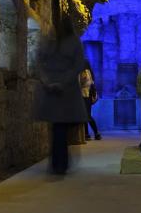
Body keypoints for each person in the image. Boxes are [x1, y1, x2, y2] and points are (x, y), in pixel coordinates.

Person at [35, 16, 88, 175]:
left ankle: (59, 163)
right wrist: (46, 80)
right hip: (54, 90)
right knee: (58, 128)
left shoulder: (73, 42)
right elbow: (39, 61)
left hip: (65, 92)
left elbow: (77, 65)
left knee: (60, 128)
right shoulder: (49, 41)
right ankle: (59, 163)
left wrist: (61, 82)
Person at [79, 60, 102, 140]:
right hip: (85, 95)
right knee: (85, 115)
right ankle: (87, 134)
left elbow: (85, 83)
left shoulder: (85, 72)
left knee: (87, 115)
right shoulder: (88, 72)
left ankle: (96, 133)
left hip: (86, 95)